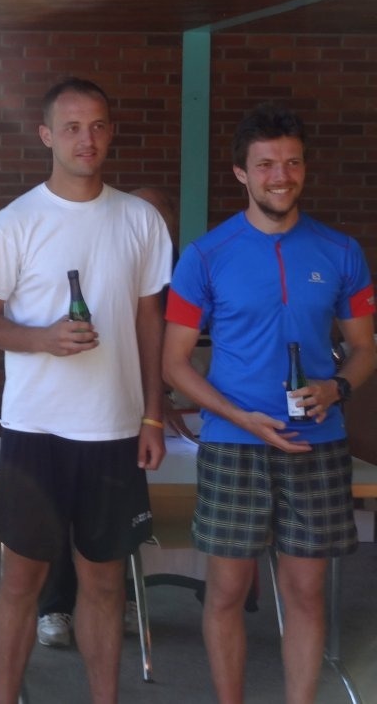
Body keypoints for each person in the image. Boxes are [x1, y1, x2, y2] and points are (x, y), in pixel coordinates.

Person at [162, 103, 375, 704]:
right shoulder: (205, 256)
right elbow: (173, 362)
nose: (281, 176)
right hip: (234, 446)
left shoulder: (341, 251)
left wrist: (337, 388)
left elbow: (365, 348)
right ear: (241, 173)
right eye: (265, 165)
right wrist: (237, 417)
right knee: (227, 594)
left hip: (317, 444)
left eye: (292, 162)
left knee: (306, 594)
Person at [0, 77, 170, 704]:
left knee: (104, 583)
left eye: (98, 126)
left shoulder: (139, 219)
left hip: (113, 429)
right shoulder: (16, 221)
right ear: (46, 135)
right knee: (21, 581)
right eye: (73, 127)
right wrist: (43, 338)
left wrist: (153, 416)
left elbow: (150, 323)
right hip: (35, 430)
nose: (88, 139)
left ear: (111, 133)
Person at [35, 185, 179, 650]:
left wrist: (156, 407)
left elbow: (170, 345)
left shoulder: (174, 276)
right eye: (142, 215)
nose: (149, 224)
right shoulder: (91, 251)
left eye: (159, 217)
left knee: (119, 521)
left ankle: (126, 597)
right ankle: (56, 605)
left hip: (132, 417)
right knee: (61, 517)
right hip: (68, 411)